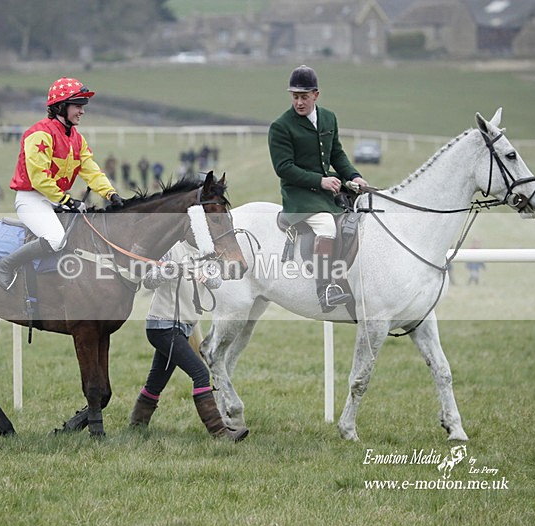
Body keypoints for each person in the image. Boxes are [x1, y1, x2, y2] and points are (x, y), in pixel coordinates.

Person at [0, 76, 124, 290]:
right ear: (61, 106)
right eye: (78, 106)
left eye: (83, 106)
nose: (82, 111)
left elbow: (90, 170)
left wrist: (111, 194)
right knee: (56, 239)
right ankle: (4, 266)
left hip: (56, 200)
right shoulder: (40, 134)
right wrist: (67, 201)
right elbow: (39, 178)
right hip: (32, 198)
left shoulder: (77, 139)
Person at [268, 64, 369, 311]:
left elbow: (337, 154)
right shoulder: (281, 126)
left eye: (304, 97)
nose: (299, 102)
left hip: (328, 192)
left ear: (316, 95)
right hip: (299, 196)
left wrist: (354, 176)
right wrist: (319, 181)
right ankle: (325, 288)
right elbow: (284, 168)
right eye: (295, 97)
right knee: (327, 227)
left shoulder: (328, 117)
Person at [128, 241, 248, 441]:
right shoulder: (170, 249)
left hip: (183, 328)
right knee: (200, 373)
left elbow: (217, 281)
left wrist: (208, 277)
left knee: (156, 381)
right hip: (162, 327)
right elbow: (148, 281)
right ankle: (220, 432)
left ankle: (137, 425)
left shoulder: (207, 253)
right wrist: (171, 270)